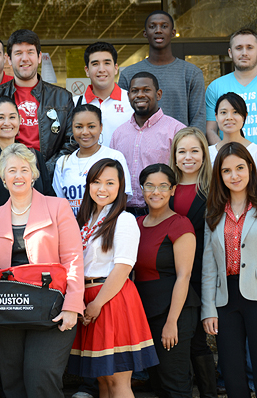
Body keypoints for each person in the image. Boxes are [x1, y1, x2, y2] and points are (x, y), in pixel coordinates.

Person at [0, 143, 85, 398]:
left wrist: (72, 306)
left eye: (24, 169)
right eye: (12, 170)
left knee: (40, 376)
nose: (18, 175)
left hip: (52, 310)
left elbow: (73, 259)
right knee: (13, 382)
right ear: (3, 178)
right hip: (7, 310)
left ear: (34, 174)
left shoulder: (58, 208)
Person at [68, 158, 158, 398]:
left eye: (110, 183)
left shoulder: (124, 219)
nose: (102, 189)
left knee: (119, 382)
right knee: (104, 383)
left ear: (120, 187)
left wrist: (97, 304)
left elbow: (123, 267)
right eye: (96, 182)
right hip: (89, 299)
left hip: (111, 299)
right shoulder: (85, 220)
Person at [135, 163, 199, 398]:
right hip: (146, 311)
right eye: (149, 186)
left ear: (172, 190)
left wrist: (172, 322)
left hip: (174, 312)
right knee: (158, 383)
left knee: (175, 383)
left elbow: (184, 276)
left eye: (163, 186)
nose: (156, 192)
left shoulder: (180, 223)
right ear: (141, 189)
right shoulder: (136, 224)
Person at [0, 29, 74, 174]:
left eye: (30, 52)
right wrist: (12, 166)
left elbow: (71, 141)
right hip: (7, 175)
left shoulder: (63, 97)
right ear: (9, 59)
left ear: (39, 57)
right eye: (18, 53)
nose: (25, 58)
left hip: (50, 175)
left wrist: (45, 169)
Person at [202, 142, 257, 398]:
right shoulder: (213, 212)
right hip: (225, 300)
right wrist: (208, 309)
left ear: (250, 169)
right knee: (233, 373)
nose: (234, 176)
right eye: (226, 171)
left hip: (255, 295)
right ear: (219, 175)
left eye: (239, 168)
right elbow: (209, 266)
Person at [168, 128, 217, 398]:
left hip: (202, 275)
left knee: (198, 338)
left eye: (195, 151)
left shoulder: (213, 189)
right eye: (182, 151)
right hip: (170, 276)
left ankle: (209, 392)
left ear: (204, 154)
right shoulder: (166, 188)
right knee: (182, 339)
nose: (188, 157)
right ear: (174, 156)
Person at [0, 96, 52, 246]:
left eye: (12, 117)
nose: (7, 123)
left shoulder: (33, 156)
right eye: (0, 117)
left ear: (19, 120)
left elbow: (49, 199)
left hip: (37, 240)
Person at [110, 72, 185, 216]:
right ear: (128, 96)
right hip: (124, 213)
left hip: (163, 212)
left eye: (146, 90)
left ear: (158, 94)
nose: (140, 95)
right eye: (134, 91)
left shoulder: (176, 131)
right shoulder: (118, 134)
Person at [118, 10, 206, 131]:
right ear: (145, 33)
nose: (158, 30)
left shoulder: (191, 73)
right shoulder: (128, 74)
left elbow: (198, 118)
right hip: (138, 145)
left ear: (173, 32)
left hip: (179, 146)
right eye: (152, 26)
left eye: (164, 26)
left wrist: (189, 146)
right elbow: (121, 116)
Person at [53, 104, 132, 216]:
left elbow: (122, 198)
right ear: (72, 128)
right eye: (79, 127)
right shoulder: (62, 163)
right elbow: (59, 203)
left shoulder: (114, 157)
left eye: (91, 126)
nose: (85, 132)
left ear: (101, 127)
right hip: (72, 230)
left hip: (104, 229)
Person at [75, 42, 133, 147]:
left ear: (116, 68)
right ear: (87, 71)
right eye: (95, 64)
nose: (101, 69)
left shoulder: (131, 101)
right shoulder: (74, 103)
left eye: (107, 63)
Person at [206, 28, 257, 144]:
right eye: (239, 48)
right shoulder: (215, 87)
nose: (244, 53)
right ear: (230, 52)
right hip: (229, 158)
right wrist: (224, 155)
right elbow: (210, 129)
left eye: (250, 47)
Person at [209, 92, 257, 165]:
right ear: (216, 117)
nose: (229, 117)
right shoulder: (208, 153)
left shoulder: (254, 151)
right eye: (223, 112)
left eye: (235, 112)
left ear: (244, 117)